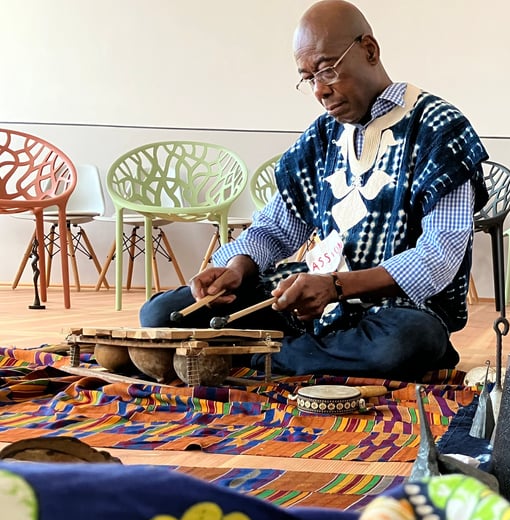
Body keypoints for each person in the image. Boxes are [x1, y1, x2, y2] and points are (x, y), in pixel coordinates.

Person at [139, 0, 489, 380]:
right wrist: (236, 268)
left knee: (405, 343)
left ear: (369, 50)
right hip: (310, 303)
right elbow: (275, 229)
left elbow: (438, 258)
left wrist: (337, 286)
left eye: (326, 70)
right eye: (309, 78)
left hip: (399, 310)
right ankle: (284, 355)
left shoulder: (438, 127)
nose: (320, 90)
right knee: (158, 315)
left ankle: (256, 355)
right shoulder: (323, 136)